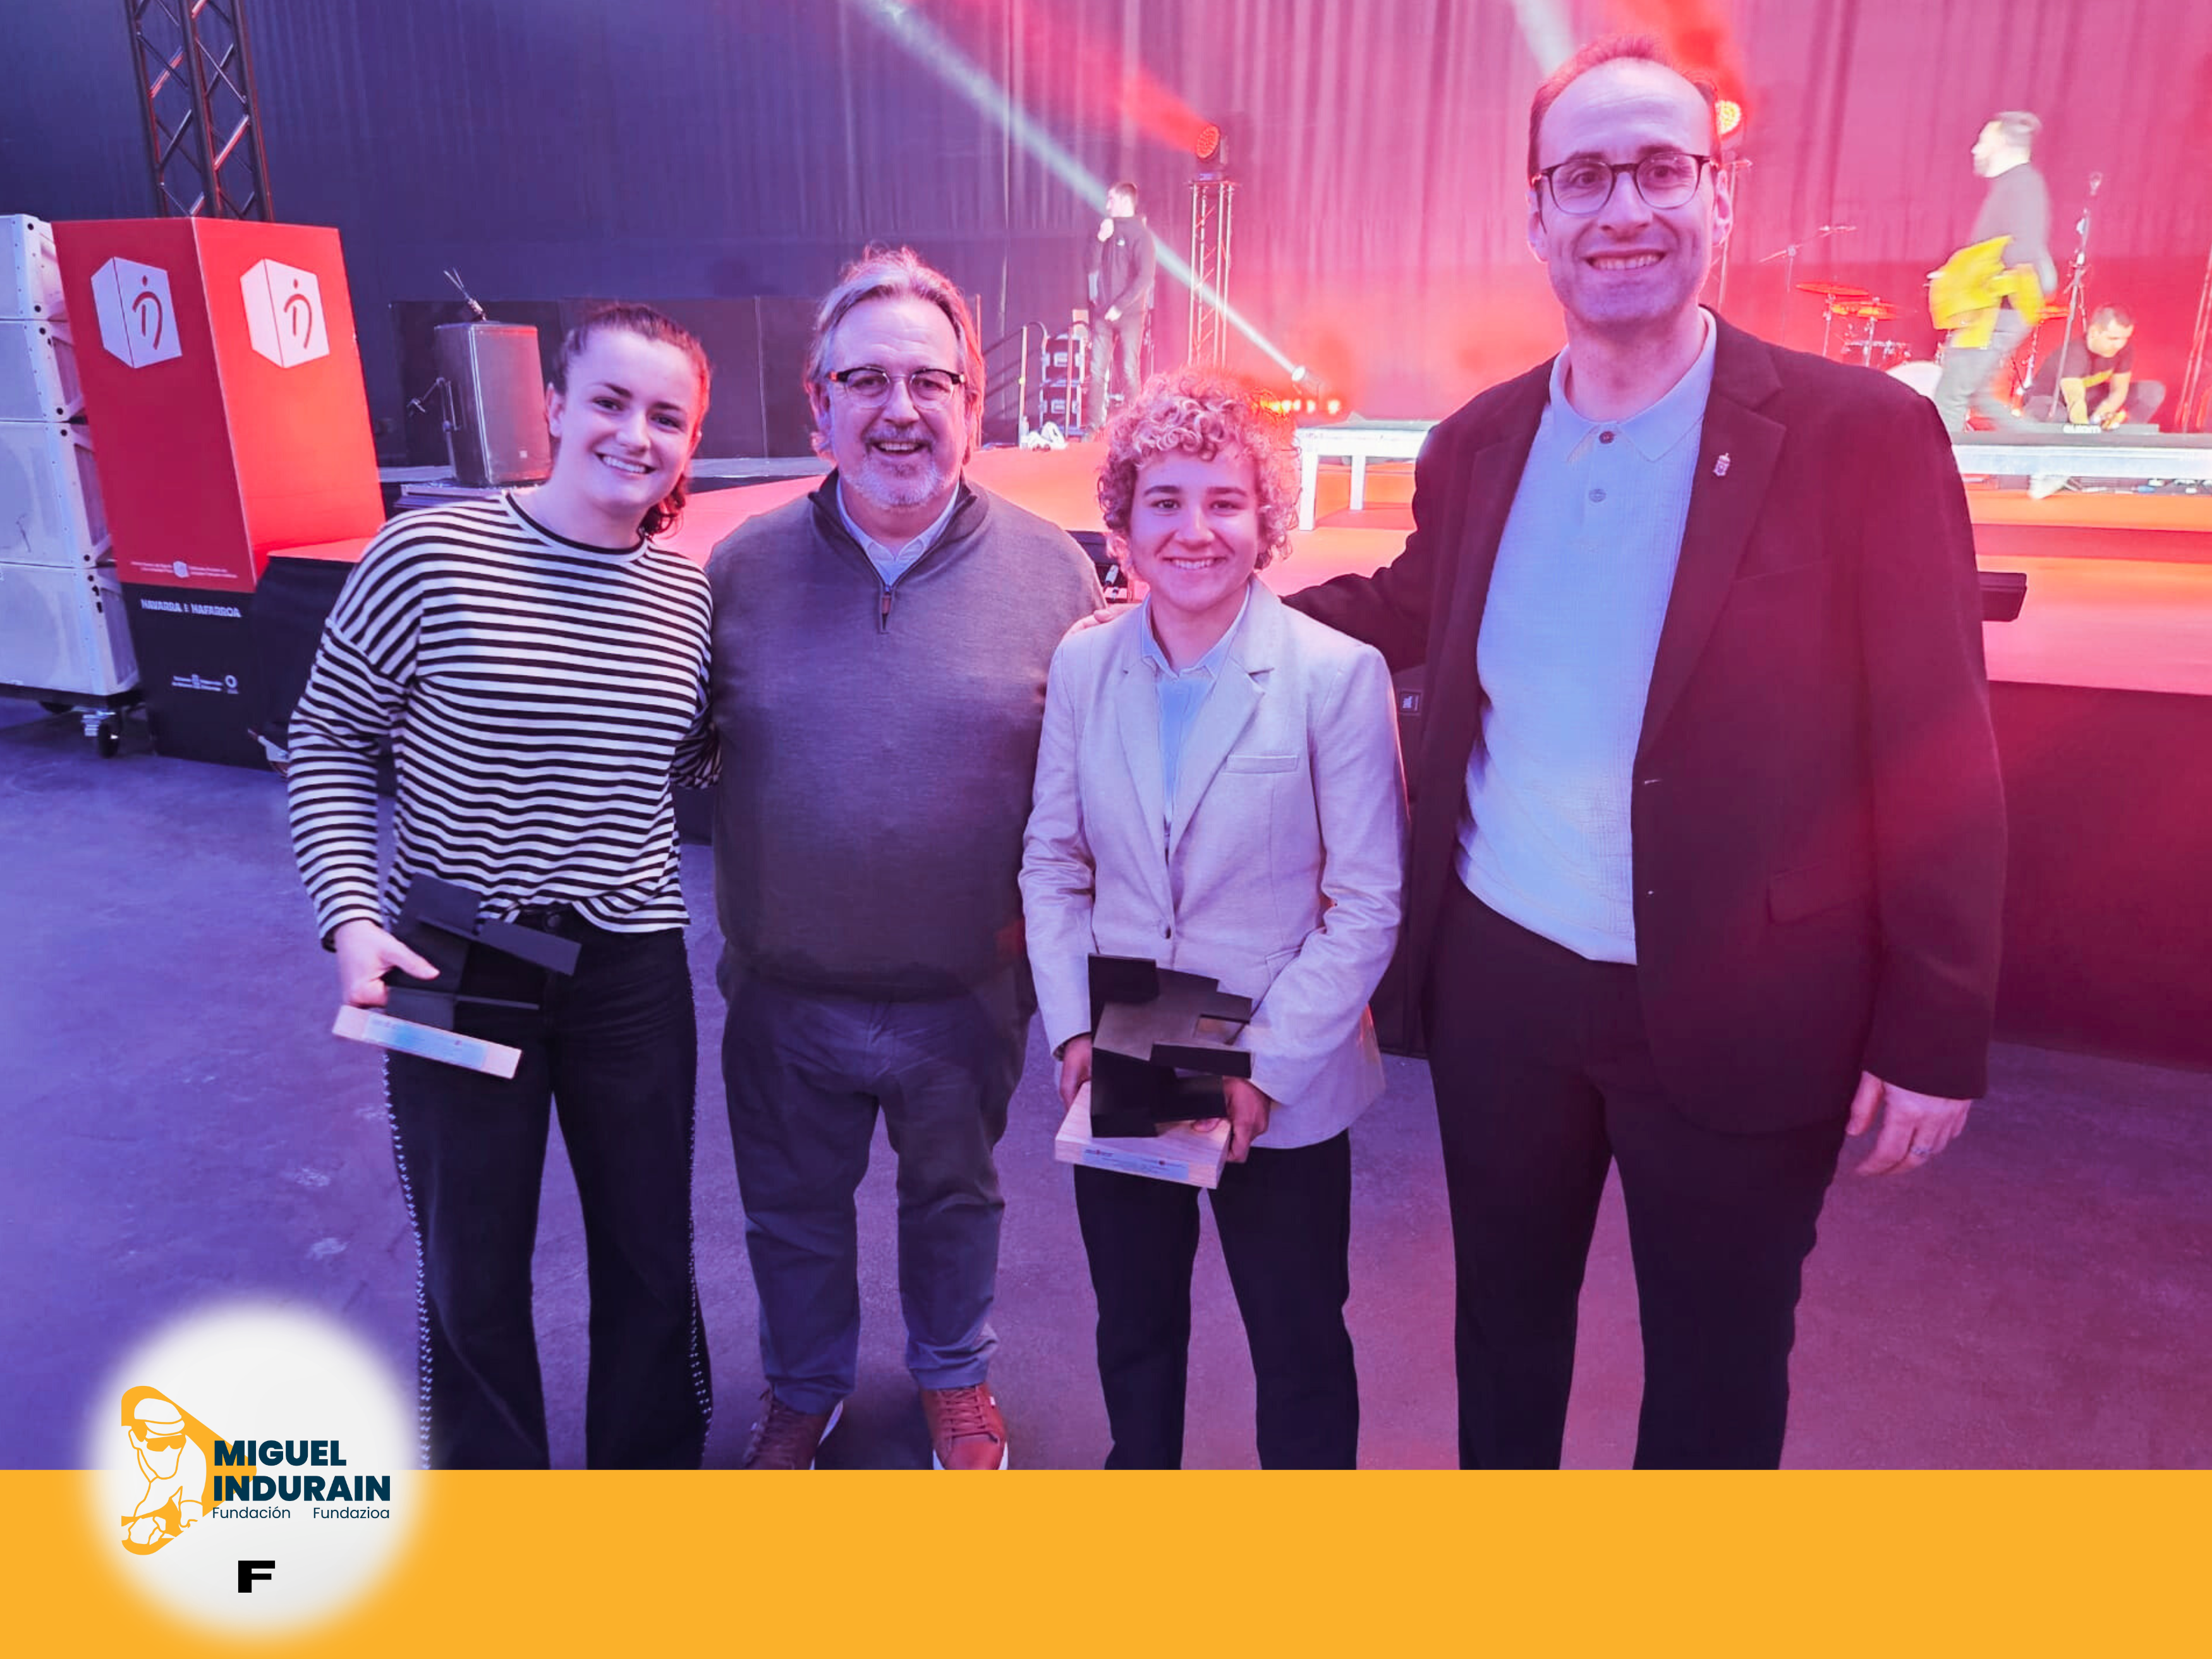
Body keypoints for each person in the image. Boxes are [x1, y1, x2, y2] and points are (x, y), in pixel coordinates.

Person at [1287, 35, 2006, 1468]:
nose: (1625, 208)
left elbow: (1940, 745)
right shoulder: (1479, 444)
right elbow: (1411, 608)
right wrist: (1186, 618)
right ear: (1537, 215)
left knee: (1717, 1377)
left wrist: (1935, 1031)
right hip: (1503, 986)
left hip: (1750, 999)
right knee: (1503, 1337)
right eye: (1586, 177)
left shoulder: (1863, 437)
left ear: (1720, 199)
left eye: (1661, 169)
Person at [288, 304, 717, 1469]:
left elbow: (698, 760)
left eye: (667, 416)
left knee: (650, 1253)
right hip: (458, 953)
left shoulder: (687, 600)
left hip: (631, 968)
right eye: (612, 402)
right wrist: (349, 917)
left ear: (691, 442)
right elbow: (327, 739)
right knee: (470, 1264)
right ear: (556, 408)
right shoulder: (428, 557)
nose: (636, 434)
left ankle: (651, 1492)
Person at [706, 247, 1102, 1471]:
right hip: (783, 996)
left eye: (931, 382)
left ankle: (953, 1375)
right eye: (866, 380)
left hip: (964, 997)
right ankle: (804, 1385)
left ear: (973, 406)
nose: (900, 410)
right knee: (790, 1213)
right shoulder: (740, 569)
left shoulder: (1056, 572)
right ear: (817, 405)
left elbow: (1096, 797)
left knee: (956, 1202)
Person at [1021, 370, 1406, 1469]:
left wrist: (1262, 1067)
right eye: (1166, 502)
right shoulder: (1085, 662)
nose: (1195, 530)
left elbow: (1366, 903)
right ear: (1125, 521)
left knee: (1298, 1342)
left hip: (1284, 1057)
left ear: (1266, 519)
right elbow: (1053, 861)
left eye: (1225, 501)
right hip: (1134, 1037)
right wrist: (1073, 1026)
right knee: (1136, 1328)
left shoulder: (1336, 675)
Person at [1931, 111, 2056, 435]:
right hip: (1996, 308)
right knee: (1976, 394)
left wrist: (1969, 278)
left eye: (1982, 141)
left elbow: (2022, 251)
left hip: (1999, 310)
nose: (1975, 149)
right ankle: (2049, 448)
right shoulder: (2015, 185)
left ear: (2002, 144)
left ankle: (1941, 464)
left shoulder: (2023, 185)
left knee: (1951, 396)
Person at [1087, 182, 1157, 428]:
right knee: (1097, 372)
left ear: (1126, 202)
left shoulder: (1142, 236)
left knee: (1129, 370)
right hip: (1102, 314)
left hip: (1130, 316)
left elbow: (1145, 277)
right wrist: (1099, 239)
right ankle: (1093, 426)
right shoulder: (1106, 229)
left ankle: (1135, 426)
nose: (1107, 206)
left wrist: (1121, 306)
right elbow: (1090, 265)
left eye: (1112, 200)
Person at [2026, 305, 2164, 427]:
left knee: (2153, 391)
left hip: (2089, 400)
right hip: (2052, 401)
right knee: (2057, 414)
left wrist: (2100, 416)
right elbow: (2074, 398)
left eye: (2125, 338)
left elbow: (2119, 390)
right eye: (2113, 338)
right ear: (2094, 332)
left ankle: (2120, 438)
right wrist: (2086, 430)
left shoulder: (2124, 350)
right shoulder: (2075, 353)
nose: (2119, 345)